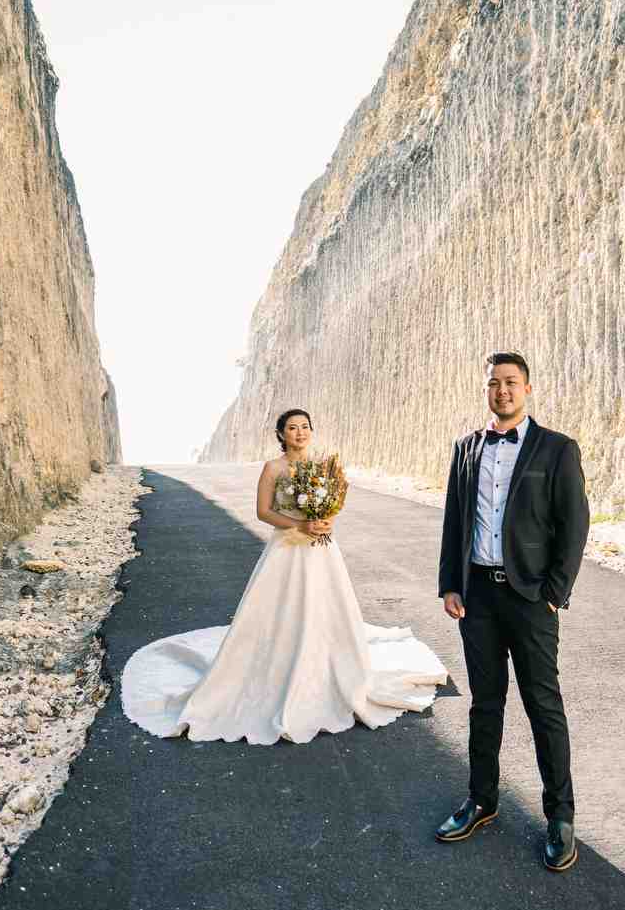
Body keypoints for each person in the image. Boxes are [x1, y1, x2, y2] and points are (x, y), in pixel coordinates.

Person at [122, 409, 447, 744]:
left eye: (305, 427)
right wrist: (300, 524)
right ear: (281, 434)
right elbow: (263, 511)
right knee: (283, 609)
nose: (300, 432)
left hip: (321, 548)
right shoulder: (273, 468)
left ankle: (329, 669)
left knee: (326, 606)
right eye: (292, 428)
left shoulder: (321, 465)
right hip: (287, 548)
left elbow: (331, 503)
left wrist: (325, 520)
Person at [435, 353, 589, 871]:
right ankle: (481, 800)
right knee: (485, 703)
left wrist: (555, 592)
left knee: (543, 706)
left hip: (530, 599)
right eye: (494, 383)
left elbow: (574, 525)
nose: (502, 390)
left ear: (527, 388)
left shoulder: (558, 448)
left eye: (511, 382)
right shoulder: (466, 448)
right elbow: (455, 520)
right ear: (486, 389)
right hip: (476, 596)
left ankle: (560, 816)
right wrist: (449, 584)